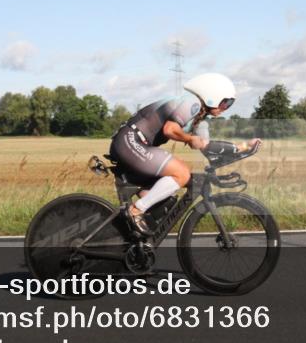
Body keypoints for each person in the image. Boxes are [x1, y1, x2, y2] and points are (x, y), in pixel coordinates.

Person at [109, 73, 260, 235]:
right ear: (212, 96)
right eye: (226, 102)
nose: (226, 108)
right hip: (131, 141)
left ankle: (134, 243)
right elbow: (170, 130)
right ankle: (135, 211)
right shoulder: (192, 103)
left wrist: (241, 147)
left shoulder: (199, 118)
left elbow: (207, 146)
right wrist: (189, 139)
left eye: (230, 104)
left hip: (132, 144)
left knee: (161, 204)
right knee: (181, 173)